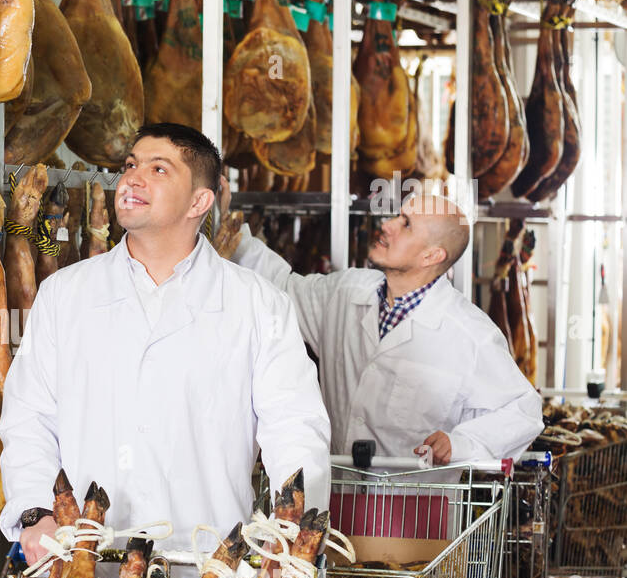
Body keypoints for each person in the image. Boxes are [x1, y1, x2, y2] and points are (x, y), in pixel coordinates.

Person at [0, 123, 332, 565]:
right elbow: (29, 419)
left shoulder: (258, 304)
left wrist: (292, 533)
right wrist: (37, 512)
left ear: (200, 201)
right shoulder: (64, 294)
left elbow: (294, 429)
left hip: (206, 569)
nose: (133, 178)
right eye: (131, 165)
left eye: (159, 169)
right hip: (82, 566)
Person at [227, 189, 543, 464]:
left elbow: (523, 410)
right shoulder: (347, 292)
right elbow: (282, 286)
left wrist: (460, 443)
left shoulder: (470, 334)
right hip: (341, 492)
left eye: (405, 224)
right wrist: (227, 224)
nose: (387, 225)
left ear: (432, 255)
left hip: (414, 508)